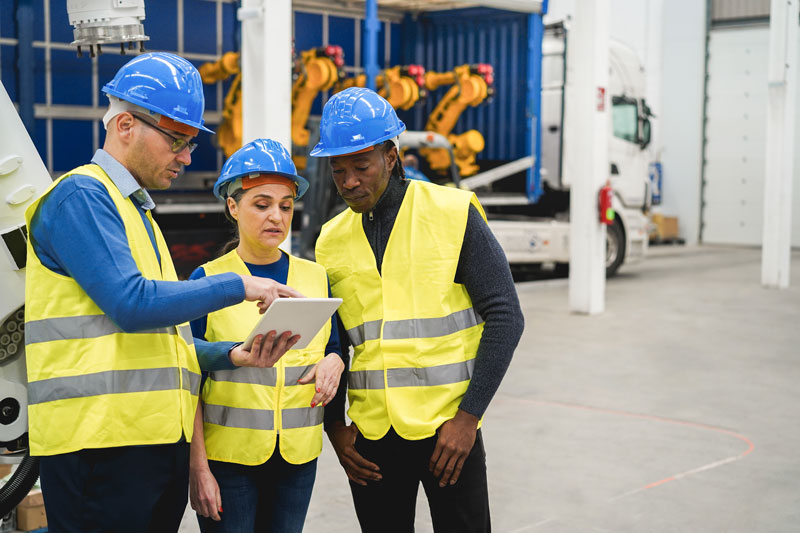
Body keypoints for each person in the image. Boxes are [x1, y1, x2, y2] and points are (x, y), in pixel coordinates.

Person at [24, 53, 302, 533]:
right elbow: (132, 305)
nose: (188, 157)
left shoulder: (137, 213)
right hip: (100, 446)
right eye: (177, 141)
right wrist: (239, 284)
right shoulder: (82, 197)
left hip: (145, 445)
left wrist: (232, 355)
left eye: (191, 143)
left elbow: (165, 344)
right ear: (126, 125)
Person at [311, 86, 525, 532]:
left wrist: (469, 419)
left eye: (361, 166)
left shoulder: (451, 213)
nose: (349, 181)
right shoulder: (330, 240)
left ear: (391, 157)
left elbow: (506, 315)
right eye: (338, 169)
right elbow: (331, 341)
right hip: (371, 436)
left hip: (450, 432)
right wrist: (335, 427)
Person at [188, 138, 345, 532]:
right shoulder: (207, 281)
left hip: (297, 458)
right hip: (229, 461)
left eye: (285, 206)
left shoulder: (316, 277)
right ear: (233, 206)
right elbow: (184, 371)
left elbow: (335, 347)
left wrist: (334, 361)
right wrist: (198, 468)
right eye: (262, 204)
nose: (276, 215)